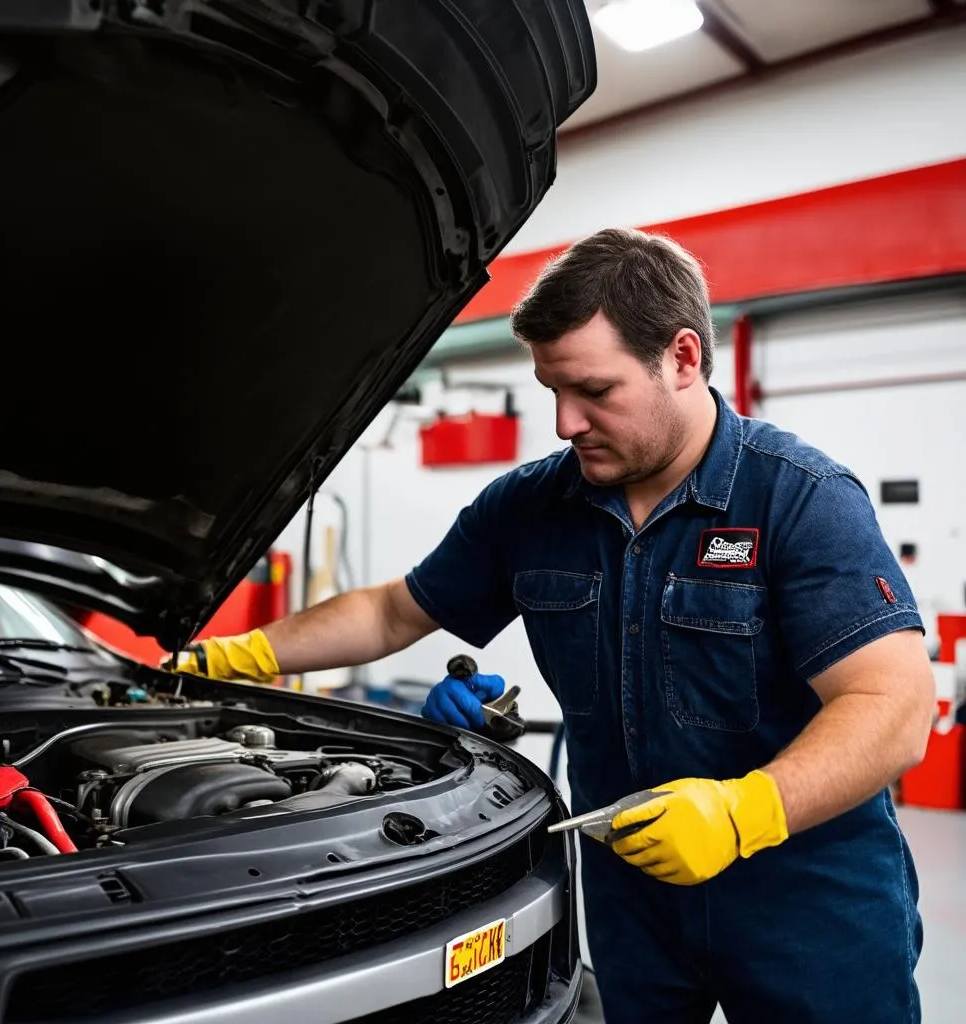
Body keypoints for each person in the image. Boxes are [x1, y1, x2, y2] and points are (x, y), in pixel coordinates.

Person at [168, 228, 936, 1023]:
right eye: (552, 392)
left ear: (680, 358)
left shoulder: (800, 498)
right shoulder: (531, 507)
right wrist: (237, 655)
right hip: (629, 890)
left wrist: (744, 812)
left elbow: (895, 707)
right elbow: (393, 611)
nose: (566, 422)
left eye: (594, 391)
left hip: (805, 890)